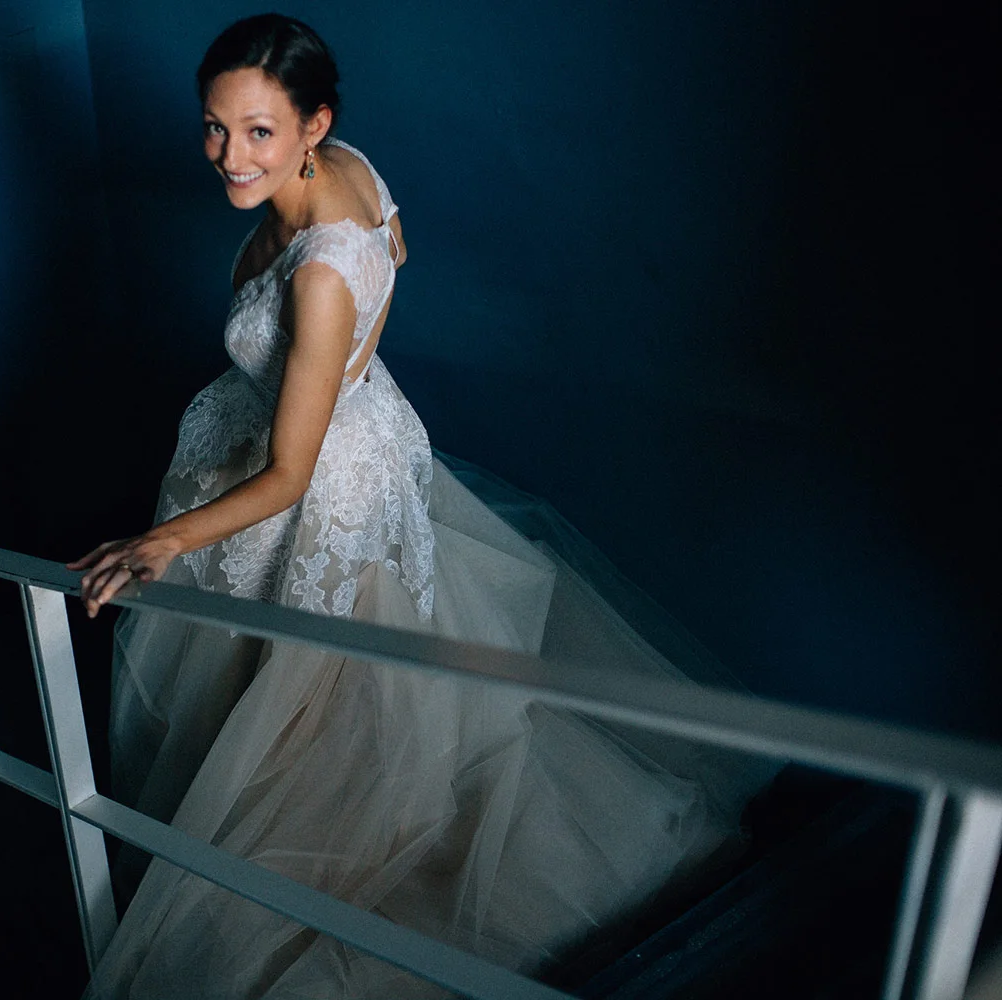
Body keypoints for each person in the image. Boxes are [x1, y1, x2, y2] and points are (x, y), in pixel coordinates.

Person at [69, 14, 773, 998]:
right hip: (361, 429)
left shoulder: (320, 277)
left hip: (318, 480)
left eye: (258, 131)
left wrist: (162, 541)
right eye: (215, 127)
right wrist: (361, 323)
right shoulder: (350, 166)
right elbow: (392, 234)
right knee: (323, 688)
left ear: (313, 125)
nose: (229, 156)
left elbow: (288, 475)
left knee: (314, 711)